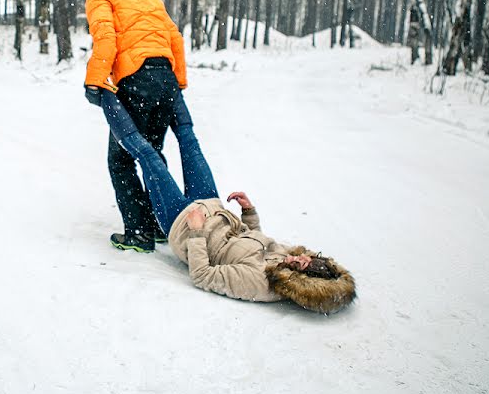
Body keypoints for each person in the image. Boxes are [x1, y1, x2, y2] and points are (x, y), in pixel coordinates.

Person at [99, 89, 356, 314]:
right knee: (190, 142)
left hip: (182, 223)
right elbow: (252, 242)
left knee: (148, 155)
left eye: (299, 265)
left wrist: (197, 231)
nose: (294, 258)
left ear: (300, 280)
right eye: (304, 258)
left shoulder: (259, 282)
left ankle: (103, 95)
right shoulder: (287, 258)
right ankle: (172, 86)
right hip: (213, 207)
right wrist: (249, 213)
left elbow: (203, 276)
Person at [83, 0, 187, 253]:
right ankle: (158, 223)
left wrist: (94, 80)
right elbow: (175, 39)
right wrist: (177, 81)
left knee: (122, 157)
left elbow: (106, 39)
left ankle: (139, 232)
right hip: (165, 80)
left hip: (136, 79)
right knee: (152, 152)